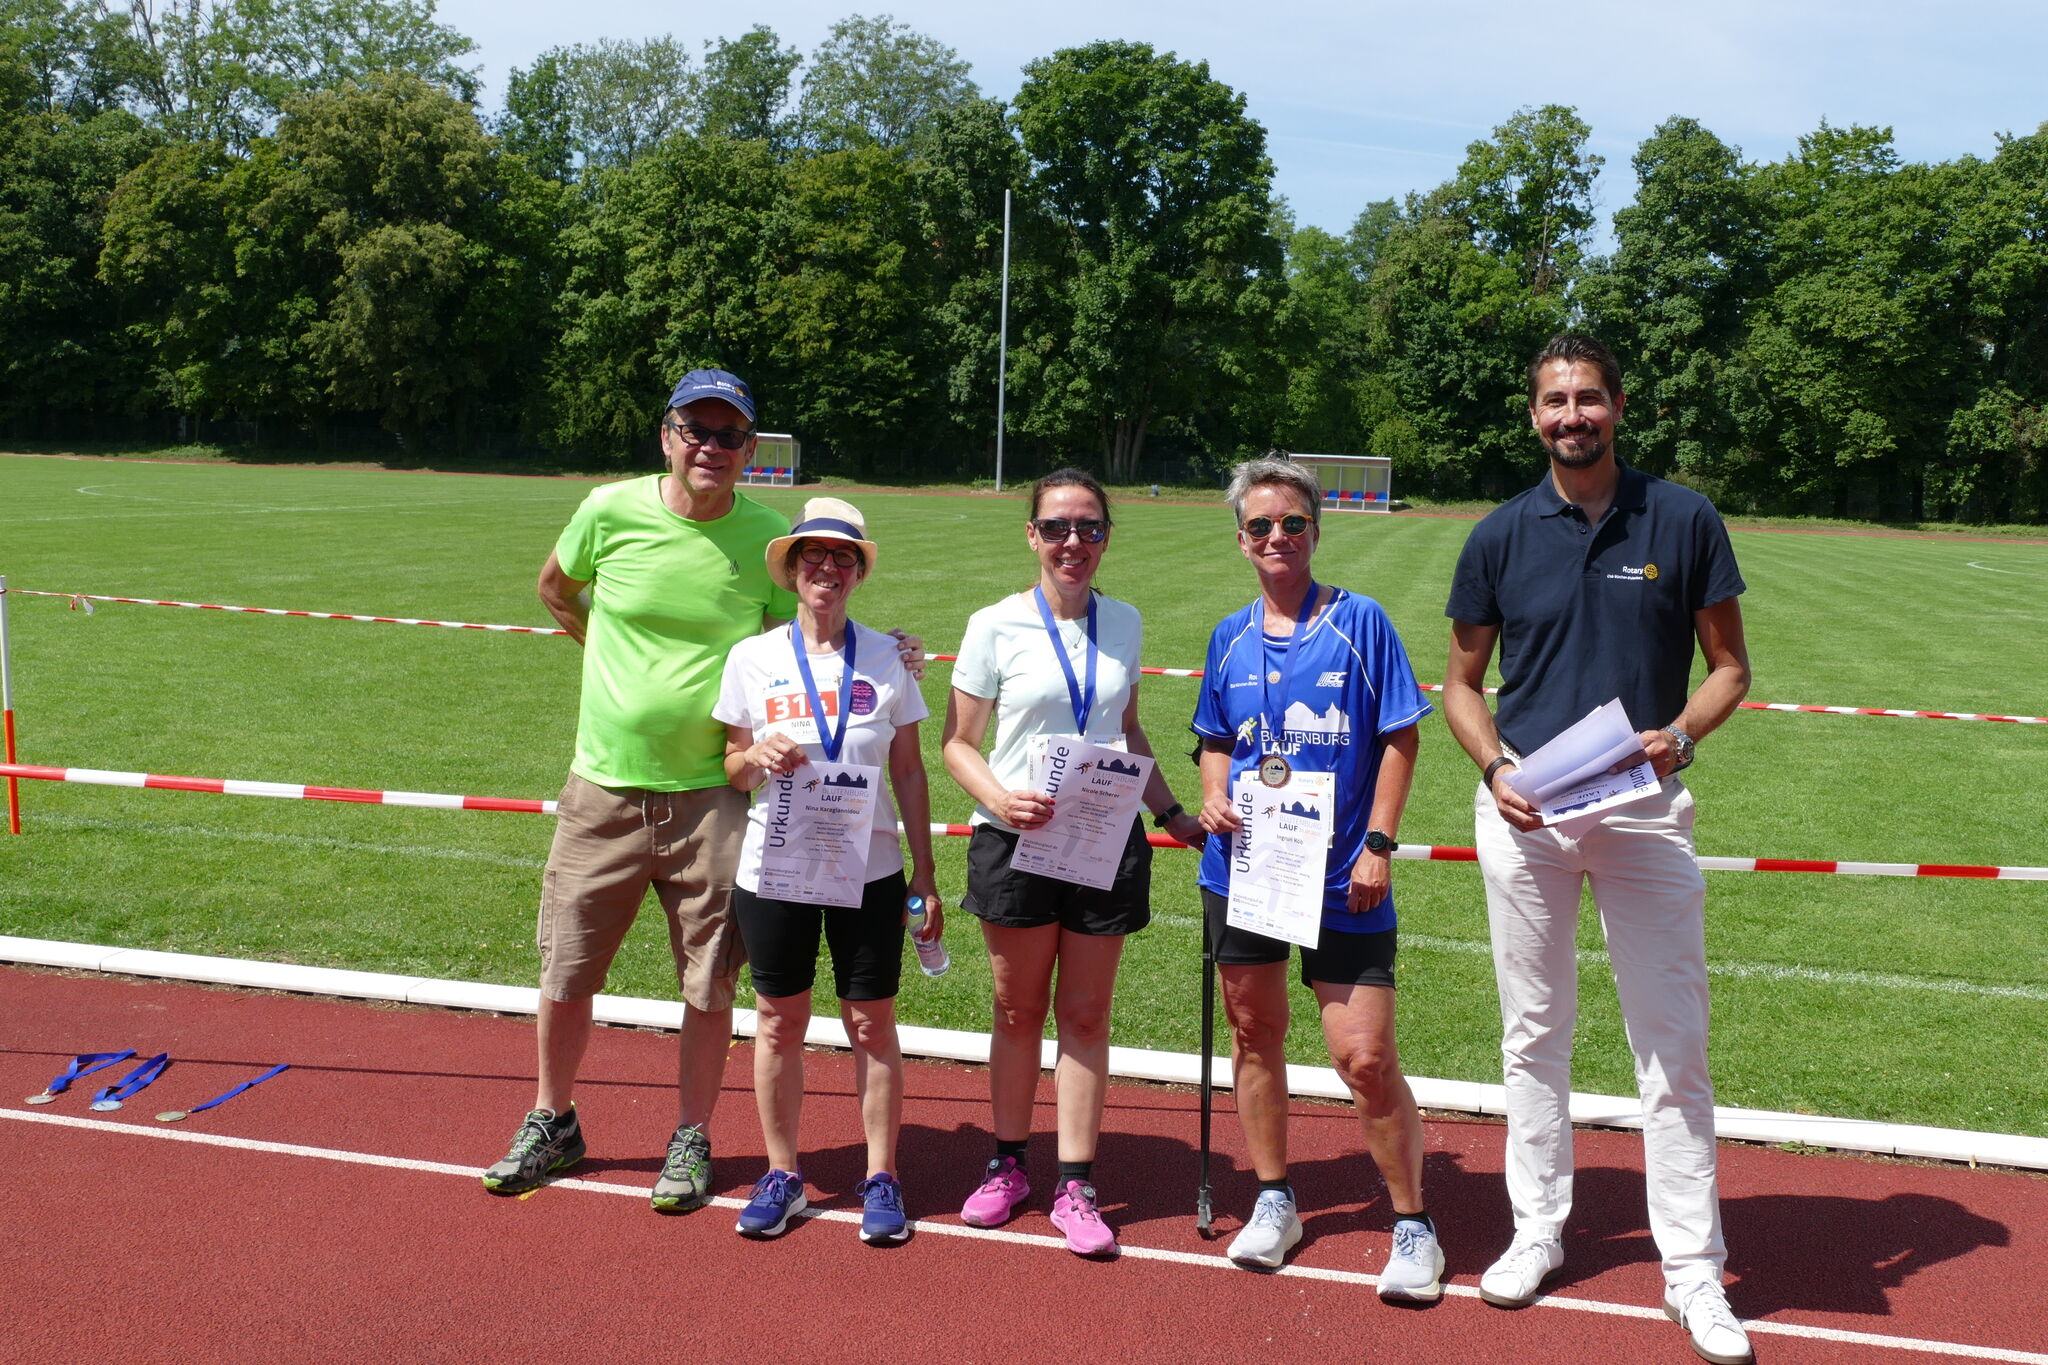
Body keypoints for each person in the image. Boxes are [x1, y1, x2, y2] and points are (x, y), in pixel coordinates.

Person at [481, 369, 920, 1211]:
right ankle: (552, 1118)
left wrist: (889, 653)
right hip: (603, 782)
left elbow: (806, 634)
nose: (711, 447)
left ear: (750, 449)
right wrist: (614, 666)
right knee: (567, 968)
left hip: (718, 796)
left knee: (710, 980)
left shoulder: (766, 538)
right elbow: (554, 589)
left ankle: (692, 1133)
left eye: (729, 436)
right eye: (697, 430)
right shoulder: (607, 509)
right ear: (667, 436)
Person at [1443, 334, 1753, 1364]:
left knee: (1672, 1042)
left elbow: (1728, 668)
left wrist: (1680, 736)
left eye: (1587, 398)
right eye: (1554, 400)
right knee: (1533, 1033)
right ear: (1533, 415)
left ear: (1619, 406)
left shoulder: (1683, 517)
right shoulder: (1497, 534)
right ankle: (1536, 1230)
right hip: (1527, 812)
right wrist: (1494, 768)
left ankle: (1692, 1270)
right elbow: (1460, 685)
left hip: (1642, 810)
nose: (1570, 415)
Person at [1190, 454, 1444, 1302]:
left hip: (1345, 877)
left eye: (1292, 522)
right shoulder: (1228, 636)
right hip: (1247, 870)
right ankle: (1275, 1197)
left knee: (1364, 1056)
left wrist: (1380, 841)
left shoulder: (1360, 621)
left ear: (1316, 531)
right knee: (1254, 1033)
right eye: (1261, 525)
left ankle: (1413, 1222)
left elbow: (1402, 734)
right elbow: (1214, 736)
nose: (1277, 536)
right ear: (1241, 539)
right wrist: (1213, 792)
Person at [941, 468, 1207, 1257]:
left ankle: (1076, 1184)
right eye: (1057, 526)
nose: (1073, 541)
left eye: (1089, 527)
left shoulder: (1124, 621)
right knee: (1017, 1010)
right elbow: (957, 743)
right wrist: (1001, 798)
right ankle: (1007, 1164)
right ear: (1032, 534)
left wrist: (1171, 812)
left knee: (1086, 1014)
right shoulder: (993, 625)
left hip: (1103, 837)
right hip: (1016, 838)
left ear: (1106, 538)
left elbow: (1128, 728)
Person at [713, 498, 942, 1245]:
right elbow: (733, 766)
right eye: (813, 554)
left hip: (869, 870)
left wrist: (925, 874)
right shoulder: (752, 658)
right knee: (779, 1019)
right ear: (791, 567)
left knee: (871, 1020)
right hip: (776, 867)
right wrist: (756, 755)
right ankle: (782, 1173)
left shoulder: (889, 656)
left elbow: (909, 771)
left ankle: (882, 1175)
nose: (827, 567)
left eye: (844, 557)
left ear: (858, 573)